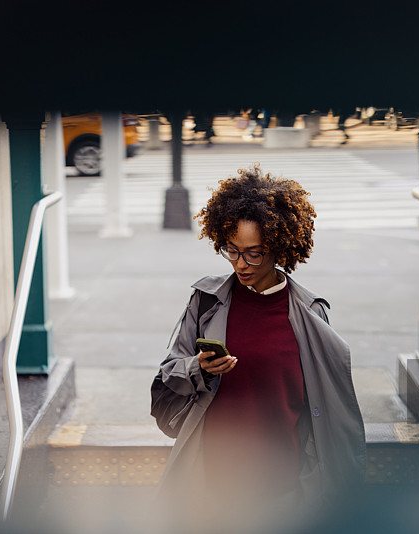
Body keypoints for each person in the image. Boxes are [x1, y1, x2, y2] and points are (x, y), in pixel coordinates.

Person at [151, 164, 366, 532]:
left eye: (254, 253)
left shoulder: (310, 316)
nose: (240, 264)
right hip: (212, 486)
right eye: (231, 250)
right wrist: (199, 368)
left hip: (285, 493)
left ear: (280, 248)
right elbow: (165, 382)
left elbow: (335, 413)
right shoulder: (206, 301)